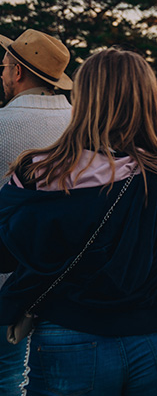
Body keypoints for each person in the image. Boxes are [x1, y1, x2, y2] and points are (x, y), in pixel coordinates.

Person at [0, 48, 157, 394]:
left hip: (66, 337)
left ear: (82, 98)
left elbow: (4, 255)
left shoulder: (35, 173)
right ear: (147, 100)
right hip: (155, 340)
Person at [0, 29, 73, 395]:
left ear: (17, 73)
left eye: (3, 67)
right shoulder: (80, 124)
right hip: (72, 281)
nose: (0, 74)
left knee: (6, 374)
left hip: (7, 280)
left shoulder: (3, 127)